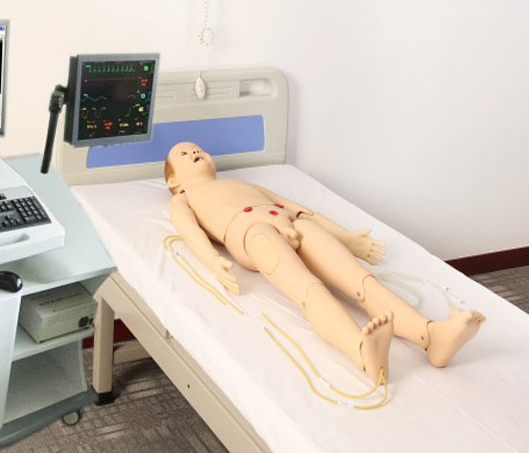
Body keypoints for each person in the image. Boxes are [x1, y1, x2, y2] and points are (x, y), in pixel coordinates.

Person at [165, 141, 485, 383]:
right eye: (184, 153)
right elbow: (190, 232)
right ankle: (361, 350)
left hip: (292, 223)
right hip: (252, 232)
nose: (196, 152)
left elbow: (304, 211)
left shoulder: (247, 185)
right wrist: (213, 260)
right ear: (173, 182)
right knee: (308, 288)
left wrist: (347, 239)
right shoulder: (184, 199)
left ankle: (431, 335)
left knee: (359, 279)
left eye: (198, 149)